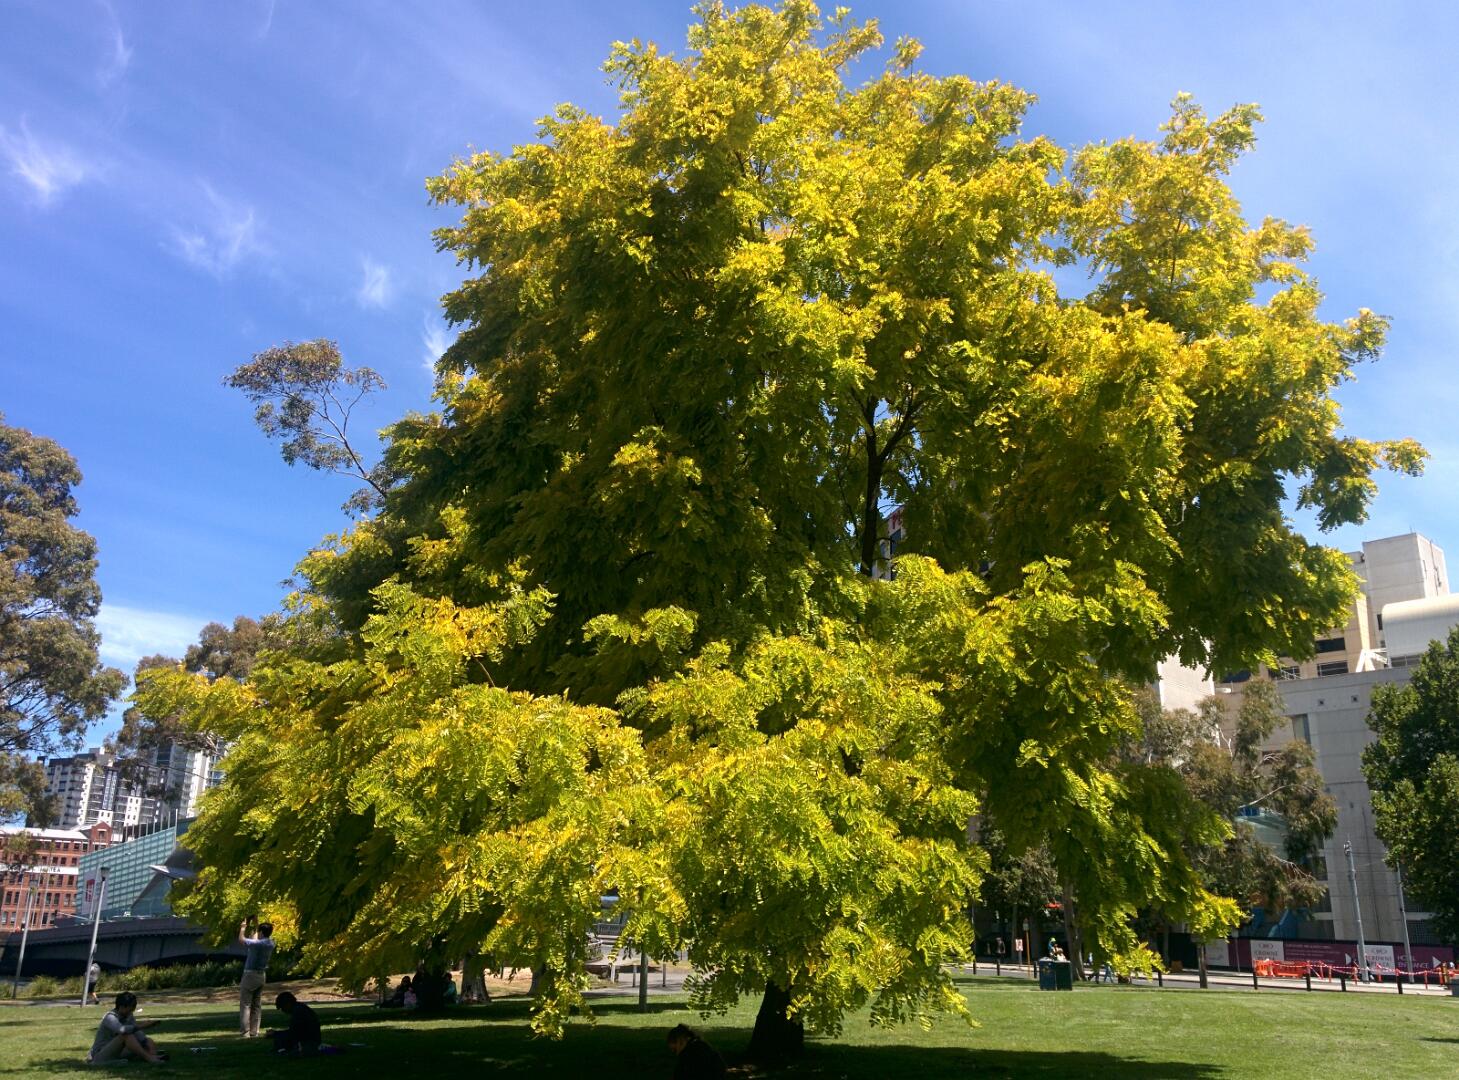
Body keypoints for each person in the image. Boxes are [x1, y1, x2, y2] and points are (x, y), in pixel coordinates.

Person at [88, 991, 167, 1065]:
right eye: (130, 1009)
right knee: (126, 1035)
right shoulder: (110, 1017)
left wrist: (146, 1041)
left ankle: (153, 1056)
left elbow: (136, 1032)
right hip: (99, 1055)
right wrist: (143, 1025)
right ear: (121, 1007)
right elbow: (122, 1030)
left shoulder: (128, 1016)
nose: (131, 1012)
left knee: (146, 1041)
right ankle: (149, 1058)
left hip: (118, 1051)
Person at [238, 918, 276, 1037]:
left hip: (250, 975)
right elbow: (255, 940)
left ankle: (245, 1032)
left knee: (246, 1004)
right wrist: (256, 926)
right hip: (261, 976)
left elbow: (242, 940)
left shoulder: (258, 944)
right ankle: (255, 1031)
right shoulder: (271, 943)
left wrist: (243, 928)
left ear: (261, 932)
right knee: (256, 1005)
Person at [269, 991, 322, 1056]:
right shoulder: (300, 1008)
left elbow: (294, 1033)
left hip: (308, 1041)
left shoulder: (298, 1012)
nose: (283, 1011)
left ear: (287, 1004)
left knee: (280, 1038)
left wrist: (276, 1034)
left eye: (282, 1008)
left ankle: (283, 1050)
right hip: (311, 1038)